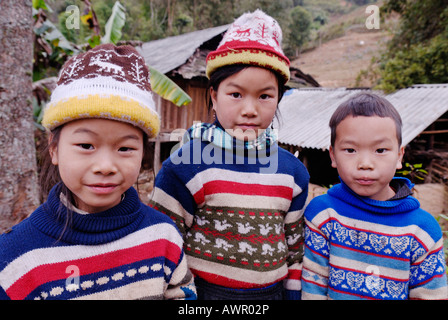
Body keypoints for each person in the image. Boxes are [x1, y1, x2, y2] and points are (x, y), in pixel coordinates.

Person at [0, 44, 196, 300]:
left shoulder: (163, 236)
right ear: (54, 149)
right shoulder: (16, 257)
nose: (106, 166)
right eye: (86, 145)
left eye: (125, 148)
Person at [150, 9, 310, 300]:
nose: (250, 109)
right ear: (213, 95)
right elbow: (163, 244)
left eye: (265, 96)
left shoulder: (293, 173)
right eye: (236, 95)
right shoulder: (185, 165)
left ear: (279, 98)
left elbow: (295, 250)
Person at [302, 93, 447, 300]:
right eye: (350, 150)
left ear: (399, 156)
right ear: (333, 155)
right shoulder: (323, 214)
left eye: (380, 150)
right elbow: (312, 288)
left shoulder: (422, 231)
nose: (365, 163)